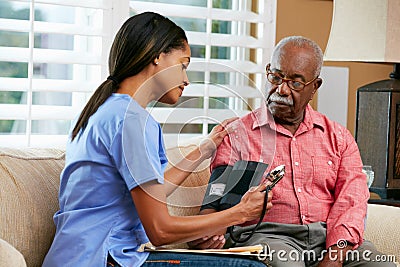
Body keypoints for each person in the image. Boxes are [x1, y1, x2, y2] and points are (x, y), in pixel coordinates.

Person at [42, 12, 272, 267]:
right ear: (158, 55)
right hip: (104, 259)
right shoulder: (132, 121)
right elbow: (160, 231)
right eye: (183, 65)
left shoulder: (102, 111)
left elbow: (153, 192)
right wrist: (239, 213)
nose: (186, 79)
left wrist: (204, 149)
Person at [191, 36, 396, 267]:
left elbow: (352, 202)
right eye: (276, 77)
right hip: (269, 238)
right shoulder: (238, 135)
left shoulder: (339, 138)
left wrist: (334, 257)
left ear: (314, 87)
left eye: (296, 83)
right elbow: (213, 206)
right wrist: (206, 234)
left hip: (329, 239)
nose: (282, 89)